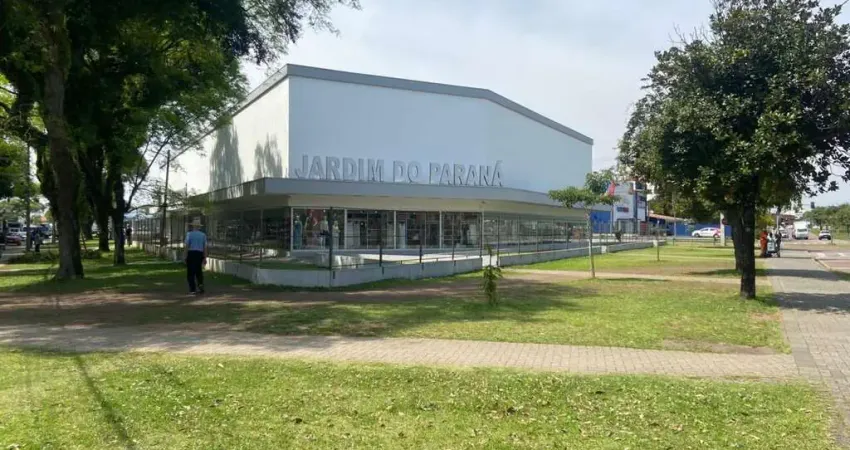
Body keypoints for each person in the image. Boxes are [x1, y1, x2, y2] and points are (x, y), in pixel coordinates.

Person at [184, 220, 207, 295]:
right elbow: (205, 247)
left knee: (190, 272)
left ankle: (192, 289)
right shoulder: (203, 235)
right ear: (199, 227)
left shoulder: (189, 234)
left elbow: (187, 246)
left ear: (193, 226)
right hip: (199, 254)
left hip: (191, 253)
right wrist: (205, 257)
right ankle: (200, 285)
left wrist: (185, 256)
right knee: (198, 271)